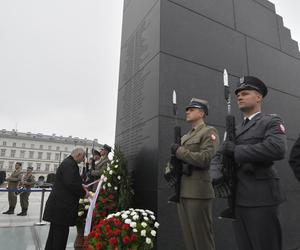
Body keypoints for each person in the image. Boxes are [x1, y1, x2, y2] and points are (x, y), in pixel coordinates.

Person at [222, 76, 287, 250]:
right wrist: (216, 173)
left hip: (261, 198)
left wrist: (236, 151)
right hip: (238, 198)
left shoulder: (271, 121)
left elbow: (276, 148)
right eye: (238, 95)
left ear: (258, 97)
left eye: (245, 93)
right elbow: (220, 155)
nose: (240, 97)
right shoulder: (234, 130)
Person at [172, 98, 219, 250]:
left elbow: (205, 159)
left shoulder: (209, 132)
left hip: (198, 193)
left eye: (192, 109)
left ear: (201, 112)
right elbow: (177, 159)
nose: (187, 111)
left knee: (202, 240)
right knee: (189, 240)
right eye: (187, 109)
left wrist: (179, 151)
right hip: (183, 191)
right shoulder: (185, 137)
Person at [43, 148, 86, 250]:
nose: (83, 160)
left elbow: (70, 181)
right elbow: (70, 183)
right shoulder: (70, 164)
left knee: (54, 234)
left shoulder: (67, 163)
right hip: (62, 208)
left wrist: (80, 186)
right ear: (78, 155)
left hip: (59, 207)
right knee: (60, 236)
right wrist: (84, 193)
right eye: (83, 157)